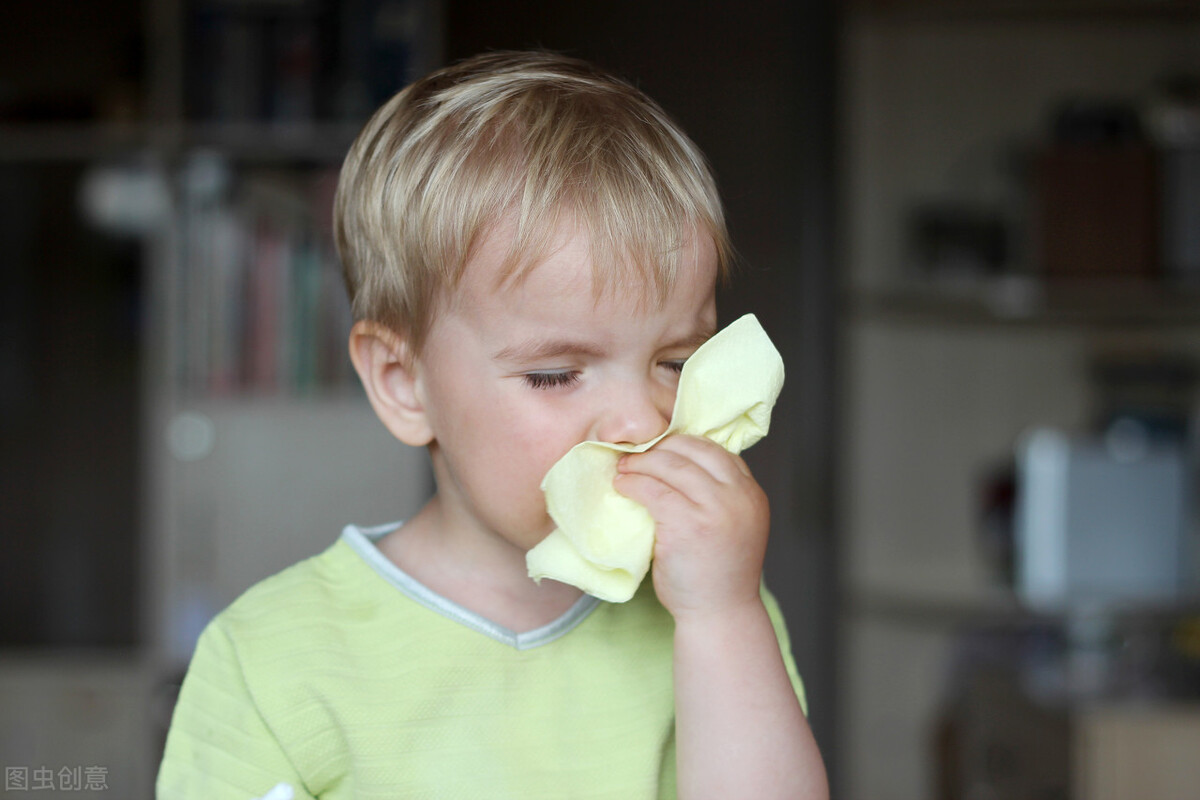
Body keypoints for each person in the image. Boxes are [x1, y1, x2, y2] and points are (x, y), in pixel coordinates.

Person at [157, 50, 828, 800]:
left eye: (675, 360)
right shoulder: (271, 660)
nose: (644, 420)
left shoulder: (709, 604)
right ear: (403, 384)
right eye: (555, 373)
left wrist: (723, 616)